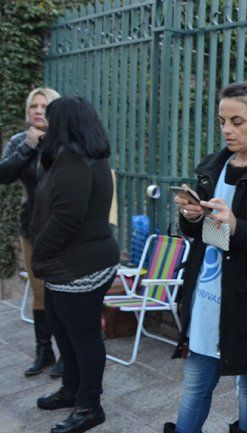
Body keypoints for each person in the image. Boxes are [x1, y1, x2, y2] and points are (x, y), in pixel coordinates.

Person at [164, 80, 247, 433]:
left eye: (237, 121)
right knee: (196, 382)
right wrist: (191, 218)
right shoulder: (214, 166)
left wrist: (236, 226)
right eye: (222, 121)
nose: (227, 129)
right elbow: (209, 238)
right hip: (205, 294)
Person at [30, 96, 119, 433]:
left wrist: (39, 252)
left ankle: (89, 406)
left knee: (83, 338)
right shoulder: (84, 156)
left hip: (79, 266)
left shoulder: (75, 160)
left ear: (64, 123)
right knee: (62, 328)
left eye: (51, 120)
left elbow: (67, 218)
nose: (46, 125)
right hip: (72, 263)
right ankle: (72, 389)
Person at [0, 87, 64, 378]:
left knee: (60, 291)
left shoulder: (65, 141)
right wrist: (27, 146)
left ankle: (67, 354)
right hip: (31, 228)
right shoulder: (19, 141)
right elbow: (4, 175)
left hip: (60, 228)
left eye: (44, 106)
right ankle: (44, 351)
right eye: (33, 106)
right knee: (39, 290)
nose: (38, 111)